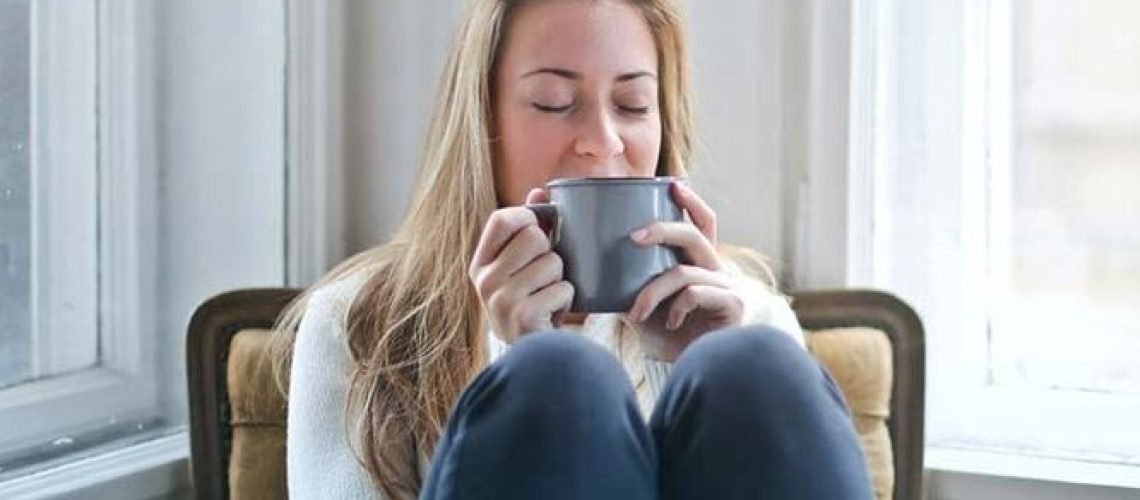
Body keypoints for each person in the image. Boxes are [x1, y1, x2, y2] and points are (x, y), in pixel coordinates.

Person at [272, 0, 873, 498]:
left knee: (752, 365)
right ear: (482, 121)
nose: (603, 142)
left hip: (742, 363)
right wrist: (513, 359)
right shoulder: (358, 322)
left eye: (634, 106)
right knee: (558, 375)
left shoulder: (749, 315)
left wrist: (684, 367)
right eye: (555, 103)